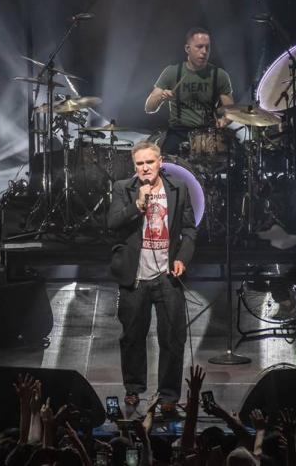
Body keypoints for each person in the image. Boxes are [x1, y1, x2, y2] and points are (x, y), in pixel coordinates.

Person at [106, 140, 197, 417]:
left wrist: (182, 258)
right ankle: (133, 389)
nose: (145, 168)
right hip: (136, 276)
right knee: (132, 337)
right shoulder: (124, 188)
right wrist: (138, 205)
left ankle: (168, 396)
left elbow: (189, 230)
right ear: (134, 166)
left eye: (149, 162)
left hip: (167, 275)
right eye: (140, 164)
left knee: (173, 338)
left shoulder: (178, 188)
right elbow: (112, 223)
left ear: (160, 162)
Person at [144, 27, 234, 155]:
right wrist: (161, 98)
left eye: (207, 47)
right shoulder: (172, 72)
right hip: (178, 133)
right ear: (187, 49)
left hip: (207, 133)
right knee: (166, 161)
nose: (204, 51)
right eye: (199, 47)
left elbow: (231, 111)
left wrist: (224, 121)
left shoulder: (219, 75)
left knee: (230, 155)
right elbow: (149, 108)